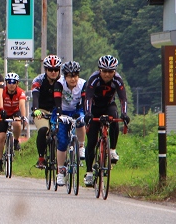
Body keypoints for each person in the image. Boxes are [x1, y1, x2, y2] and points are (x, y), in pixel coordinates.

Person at [82, 55, 129, 187]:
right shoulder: (94, 79)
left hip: (108, 105)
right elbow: (88, 98)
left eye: (110, 71)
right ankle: (89, 172)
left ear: (114, 71)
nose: (107, 74)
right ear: (99, 70)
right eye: (104, 71)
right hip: (94, 107)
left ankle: (112, 149)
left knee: (114, 118)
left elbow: (123, 99)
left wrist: (124, 114)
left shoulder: (117, 80)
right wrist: (88, 113)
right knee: (91, 141)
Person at [53, 61, 87, 186]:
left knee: (81, 121)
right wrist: (60, 115)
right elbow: (57, 101)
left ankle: (81, 146)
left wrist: (82, 114)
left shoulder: (83, 84)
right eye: (69, 76)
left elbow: (84, 101)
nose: (73, 79)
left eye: (75, 75)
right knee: (62, 141)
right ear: (65, 76)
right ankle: (61, 172)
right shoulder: (59, 83)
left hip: (78, 109)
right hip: (63, 110)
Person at [31, 55, 62, 169]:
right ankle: (41, 158)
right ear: (45, 70)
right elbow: (35, 96)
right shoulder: (38, 80)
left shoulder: (63, 81)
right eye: (50, 70)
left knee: (62, 132)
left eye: (56, 70)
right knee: (43, 130)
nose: (53, 72)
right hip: (42, 110)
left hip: (57, 110)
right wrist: (35, 110)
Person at [0, 72, 27, 172]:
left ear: (17, 83)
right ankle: (0, 161)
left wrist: (23, 117)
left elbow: (22, 105)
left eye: (13, 82)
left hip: (15, 111)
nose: (11, 84)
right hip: (3, 112)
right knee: (1, 137)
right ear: (6, 83)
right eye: (9, 82)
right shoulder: (2, 91)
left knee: (17, 123)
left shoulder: (20, 92)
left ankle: (16, 140)